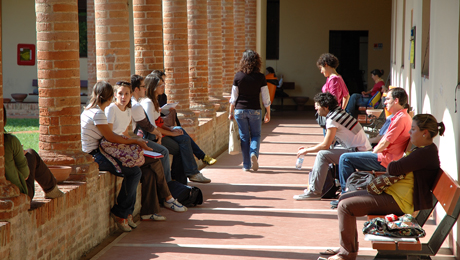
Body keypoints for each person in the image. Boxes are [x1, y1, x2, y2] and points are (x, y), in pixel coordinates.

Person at [326, 114, 444, 260]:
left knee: (345, 206)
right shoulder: (424, 151)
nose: (410, 132)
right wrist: (399, 163)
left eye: (413, 129)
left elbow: (394, 168)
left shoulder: (424, 153)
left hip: (400, 202)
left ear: (424, 132)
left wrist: (398, 164)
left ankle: (347, 253)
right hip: (394, 196)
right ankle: (347, 247)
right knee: (343, 198)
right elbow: (397, 167)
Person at [105, 81, 187, 221]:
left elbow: (125, 133)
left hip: (124, 147)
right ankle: (168, 197)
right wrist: (135, 142)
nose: (123, 97)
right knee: (155, 162)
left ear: (131, 95)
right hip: (113, 149)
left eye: (126, 94)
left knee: (149, 173)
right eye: (120, 94)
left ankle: (148, 212)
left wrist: (137, 143)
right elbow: (110, 136)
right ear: (114, 95)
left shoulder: (128, 110)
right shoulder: (111, 109)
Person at [81, 81, 151, 232]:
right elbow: (111, 137)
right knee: (133, 172)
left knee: (135, 170)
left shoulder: (88, 110)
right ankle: (120, 213)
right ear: (109, 96)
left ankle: (127, 213)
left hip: (97, 152)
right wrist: (135, 140)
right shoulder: (98, 113)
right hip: (94, 155)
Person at [293, 93, 371, 200]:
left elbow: (325, 145)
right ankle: (316, 187)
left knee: (322, 155)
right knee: (325, 153)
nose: (317, 111)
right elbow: (329, 142)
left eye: (318, 108)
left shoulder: (332, 119)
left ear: (326, 107)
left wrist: (306, 150)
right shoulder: (339, 113)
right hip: (360, 149)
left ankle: (315, 192)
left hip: (358, 153)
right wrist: (309, 147)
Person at [337, 87, 412, 196]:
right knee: (351, 156)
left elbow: (384, 142)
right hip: (387, 157)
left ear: (396, 100)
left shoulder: (400, 118)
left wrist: (372, 152)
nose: (385, 102)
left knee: (345, 158)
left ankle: (346, 195)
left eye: (387, 99)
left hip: (386, 160)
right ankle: (352, 191)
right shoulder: (401, 116)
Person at [140, 74, 212, 183]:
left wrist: (171, 129)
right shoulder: (148, 103)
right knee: (182, 145)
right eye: (160, 85)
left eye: (163, 84)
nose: (163, 86)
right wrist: (172, 134)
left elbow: (159, 122)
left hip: (159, 132)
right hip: (153, 137)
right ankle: (191, 174)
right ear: (153, 87)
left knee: (179, 130)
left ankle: (186, 177)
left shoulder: (154, 101)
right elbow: (153, 128)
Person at [150, 69, 217, 166]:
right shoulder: (149, 101)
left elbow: (160, 116)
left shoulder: (162, 96)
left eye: (164, 82)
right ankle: (199, 161)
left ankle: (201, 158)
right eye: (161, 82)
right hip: (158, 131)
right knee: (183, 143)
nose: (163, 85)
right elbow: (152, 123)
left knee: (180, 131)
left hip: (163, 125)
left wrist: (167, 111)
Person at [3, 105, 64, 201]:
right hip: (19, 194)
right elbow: (25, 175)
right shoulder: (9, 141)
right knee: (31, 153)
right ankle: (51, 189)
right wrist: (20, 156)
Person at [229, 50, 271, 171]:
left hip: (239, 111)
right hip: (255, 110)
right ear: (257, 61)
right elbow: (265, 97)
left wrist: (230, 112)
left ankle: (246, 165)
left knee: (244, 137)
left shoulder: (238, 76)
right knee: (256, 135)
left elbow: (233, 97)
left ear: (243, 61)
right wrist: (268, 112)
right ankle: (254, 154)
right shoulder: (260, 77)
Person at [131, 74, 172, 182]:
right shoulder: (135, 105)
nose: (145, 88)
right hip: (134, 140)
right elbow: (147, 126)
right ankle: (168, 185)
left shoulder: (137, 103)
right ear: (136, 89)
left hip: (135, 137)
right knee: (164, 151)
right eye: (143, 86)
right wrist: (159, 134)